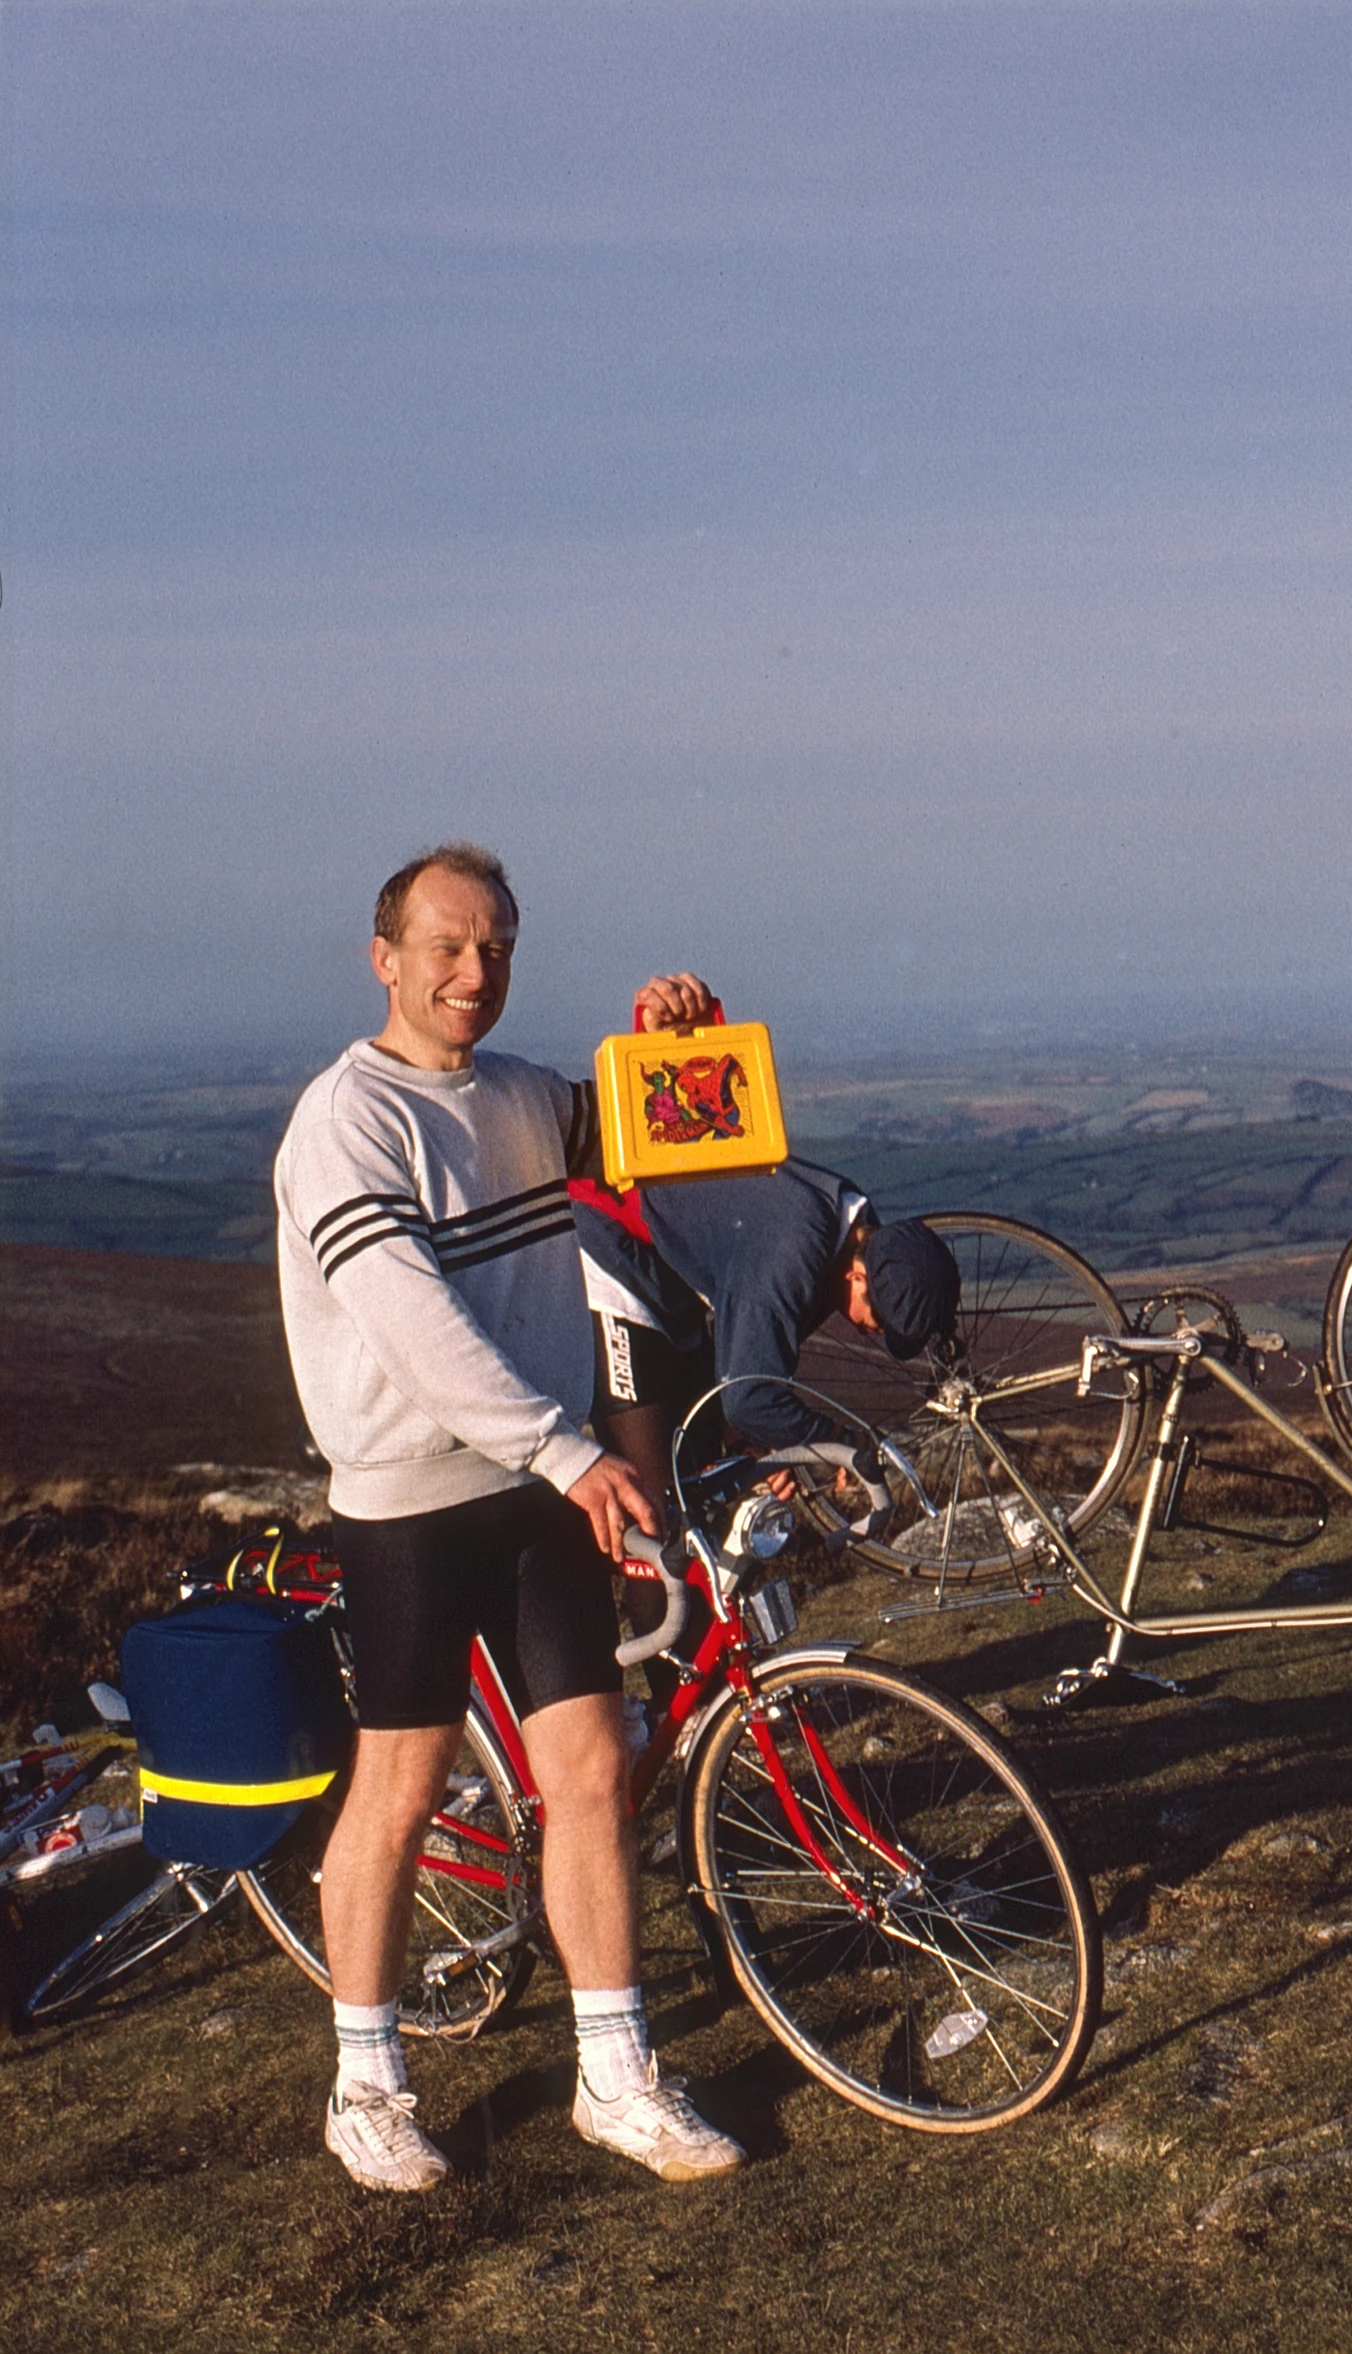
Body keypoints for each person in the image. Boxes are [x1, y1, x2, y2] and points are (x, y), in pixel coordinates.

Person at [272, 842, 745, 2192]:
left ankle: (616, 2075)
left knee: (590, 1768)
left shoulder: (526, 1097)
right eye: (445, 946)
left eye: (496, 948)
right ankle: (365, 2084)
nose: (474, 971)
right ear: (386, 957)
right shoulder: (348, 1121)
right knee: (405, 1780)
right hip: (414, 1501)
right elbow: (415, 1327)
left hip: (537, 1490)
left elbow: (663, 1132)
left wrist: (667, 1041)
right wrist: (567, 1448)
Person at [570, 1147, 962, 1504]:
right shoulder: (792, 1255)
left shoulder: (856, 1231)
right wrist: (843, 1444)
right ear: (857, 1278)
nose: (876, 1333)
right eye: (879, 1323)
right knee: (655, 1508)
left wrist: (760, 1440)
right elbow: (750, 1399)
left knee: (706, 1495)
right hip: (612, 1246)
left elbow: (745, 1375)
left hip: (670, 1272)